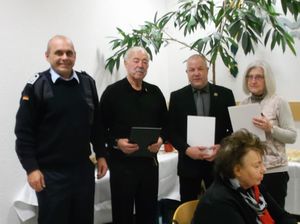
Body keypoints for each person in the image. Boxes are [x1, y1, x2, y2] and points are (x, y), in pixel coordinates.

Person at [15, 35, 108, 224]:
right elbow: (24, 133)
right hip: (51, 175)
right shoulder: (36, 86)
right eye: (58, 53)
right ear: (47, 56)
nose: (64, 57)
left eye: (69, 53)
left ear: (75, 56)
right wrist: (31, 168)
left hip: (83, 171)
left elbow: (96, 124)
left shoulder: (87, 84)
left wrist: (101, 154)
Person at [98, 46, 168, 224]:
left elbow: (167, 125)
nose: (140, 65)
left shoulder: (155, 92)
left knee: (148, 212)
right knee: (123, 215)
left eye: (145, 62)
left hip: (149, 165)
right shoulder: (112, 93)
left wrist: (161, 140)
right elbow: (98, 128)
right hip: (122, 166)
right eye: (136, 61)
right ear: (126, 63)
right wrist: (116, 143)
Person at [168, 54, 236, 203]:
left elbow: (233, 130)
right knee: (188, 208)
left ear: (207, 70)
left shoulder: (225, 94)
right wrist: (186, 149)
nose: (196, 73)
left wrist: (222, 147)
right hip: (188, 164)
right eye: (191, 70)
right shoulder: (177, 97)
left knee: (220, 207)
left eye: (200, 68)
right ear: (187, 73)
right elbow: (172, 131)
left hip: (218, 163)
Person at [192, 129, 297, 224]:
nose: (264, 169)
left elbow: (282, 217)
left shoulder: (252, 188)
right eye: (257, 166)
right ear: (237, 170)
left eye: (262, 163)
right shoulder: (219, 201)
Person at [240, 60, 297, 208]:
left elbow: (292, 136)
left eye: (259, 77)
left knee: (274, 216)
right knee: (254, 216)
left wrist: (270, 128)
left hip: (275, 171)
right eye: (250, 76)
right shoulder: (244, 103)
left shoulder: (279, 102)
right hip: (251, 171)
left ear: (268, 79)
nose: (253, 80)